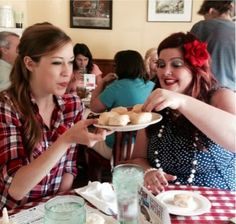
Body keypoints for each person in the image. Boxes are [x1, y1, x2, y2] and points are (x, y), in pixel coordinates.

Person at [0, 23, 108, 210]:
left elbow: (69, 167)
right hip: (12, 216)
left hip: (53, 208)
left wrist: (57, 207)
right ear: (29, 63)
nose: (67, 71)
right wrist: (66, 139)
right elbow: (15, 189)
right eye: (57, 62)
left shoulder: (71, 104)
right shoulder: (8, 106)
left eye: (70, 61)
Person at [129, 32, 236, 193]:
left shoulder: (220, 96)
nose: (165, 72)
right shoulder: (156, 104)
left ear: (195, 68)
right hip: (164, 199)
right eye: (161, 64)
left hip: (217, 198)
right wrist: (148, 171)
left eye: (176, 64)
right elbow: (137, 158)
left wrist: (182, 101)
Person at [90, 49, 156, 159]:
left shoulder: (115, 87)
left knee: (89, 139)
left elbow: (94, 108)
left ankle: (92, 173)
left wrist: (102, 82)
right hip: (147, 148)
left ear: (119, 67)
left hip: (118, 148)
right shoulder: (153, 86)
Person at [190, 0, 235, 91]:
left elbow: (187, 56)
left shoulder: (201, 26)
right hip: (233, 91)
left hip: (206, 88)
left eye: (205, 17)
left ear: (211, 11)